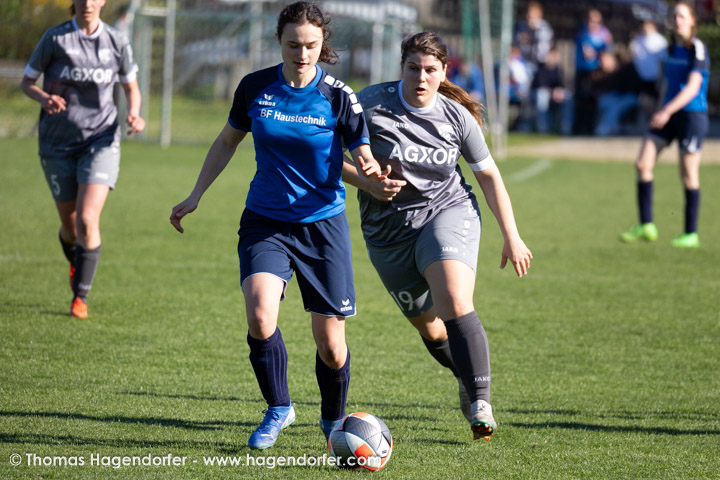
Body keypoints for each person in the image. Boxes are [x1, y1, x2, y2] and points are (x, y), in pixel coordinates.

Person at [169, 1, 383, 450]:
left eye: (310, 45)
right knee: (260, 315)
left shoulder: (339, 96)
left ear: (323, 43)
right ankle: (278, 407)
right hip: (265, 221)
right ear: (278, 41)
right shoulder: (255, 87)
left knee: (331, 346)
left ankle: (333, 421)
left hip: (322, 227)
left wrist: (370, 167)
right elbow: (227, 140)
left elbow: (360, 147)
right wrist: (195, 194)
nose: (302, 54)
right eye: (292, 45)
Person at [343, 31, 533, 441]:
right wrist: (366, 182)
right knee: (431, 330)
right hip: (387, 232)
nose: (421, 78)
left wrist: (511, 235)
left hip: (447, 212)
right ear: (402, 68)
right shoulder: (368, 105)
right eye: (413, 68)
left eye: (431, 70)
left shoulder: (456, 117)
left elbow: (488, 176)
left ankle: (480, 403)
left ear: (445, 71)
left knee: (455, 300)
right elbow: (323, 156)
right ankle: (464, 375)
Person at [20, 0, 145, 319]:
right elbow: (27, 83)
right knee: (70, 227)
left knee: (87, 219)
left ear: (103, 2)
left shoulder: (116, 41)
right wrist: (45, 97)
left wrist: (134, 113)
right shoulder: (55, 38)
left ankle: (80, 297)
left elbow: (131, 87)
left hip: (101, 139)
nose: (87, 3)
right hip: (57, 142)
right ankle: (77, 262)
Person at [619, 1, 709, 248]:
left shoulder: (697, 48)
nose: (677, 20)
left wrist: (666, 110)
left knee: (688, 174)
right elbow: (666, 83)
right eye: (675, 16)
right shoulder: (670, 48)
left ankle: (690, 233)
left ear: (692, 21)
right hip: (667, 114)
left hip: (691, 116)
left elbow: (692, 88)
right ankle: (646, 225)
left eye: (682, 16)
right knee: (642, 163)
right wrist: (659, 107)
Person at [574, 8, 613, 135]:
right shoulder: (581, 31)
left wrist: (597, 54)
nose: (592, 21)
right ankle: (579, 127)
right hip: (582, 69)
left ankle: (591, 127)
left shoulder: (604, 33)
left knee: (593, 100)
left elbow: (608, 52)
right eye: (590, 18)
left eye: (595, 18)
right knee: (580, 99)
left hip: (596, 72)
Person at [591, 51, 641, 136]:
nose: (603, 63)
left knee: (615, 106)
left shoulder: (625, 70)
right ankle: (613, 127)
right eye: (601, 60)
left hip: (629, 97)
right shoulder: (597, 72)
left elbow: (630, 88)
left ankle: (605, 128)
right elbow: (594, 89)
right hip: (613, 98)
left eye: (605, 60)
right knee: (609, 102)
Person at [532, 46, 573, 135]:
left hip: (555, 94)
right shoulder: (541, 67)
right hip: (542, 93)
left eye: (556, 56)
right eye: (552, 55)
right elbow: (541, 84)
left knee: (568, 97)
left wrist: (559, 91)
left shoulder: (559, 69)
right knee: (542, 95)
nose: (554, 58)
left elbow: (562, 84)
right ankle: (543, 128)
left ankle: (566, 128)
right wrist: (552, 92)